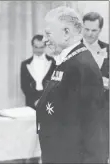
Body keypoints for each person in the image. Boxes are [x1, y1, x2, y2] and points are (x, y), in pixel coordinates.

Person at [36, 6, 106, 163]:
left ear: (66, 33)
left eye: (48, 34)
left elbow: (94, 131)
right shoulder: (68, 61)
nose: (44, 40)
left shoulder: (82, 66)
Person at [81, 12, 109, 162]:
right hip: (77, 114)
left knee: (100, 156)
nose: (89, 34)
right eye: (86, 29)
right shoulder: (70, 50)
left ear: (100, 30)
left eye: (94, 30)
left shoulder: (108, 49)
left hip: (102, 114)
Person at [21, 34, 56, 110]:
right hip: (31, 102)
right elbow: (24, 86)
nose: (38, 50)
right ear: (32, 46)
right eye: (36, 47)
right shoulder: (25, 64)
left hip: (50, 102)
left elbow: (55, 84)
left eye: (41, 47)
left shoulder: (53, 62)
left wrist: (45, 100)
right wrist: (35, 100)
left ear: (45, 47)